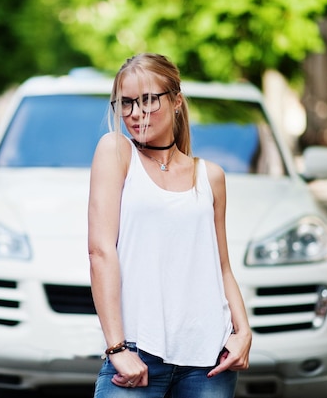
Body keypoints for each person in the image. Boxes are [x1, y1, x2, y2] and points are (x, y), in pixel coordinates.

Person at [87, 53, 252, 398]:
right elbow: (101, 251)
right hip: (137, 352)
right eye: (127, 103)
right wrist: (117, 348)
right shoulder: (116, 152)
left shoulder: (210, 176)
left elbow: (221, 267)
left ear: (176, 101)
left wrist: (243, 331)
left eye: (148, 100)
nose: (135, 113)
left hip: (209, 359)